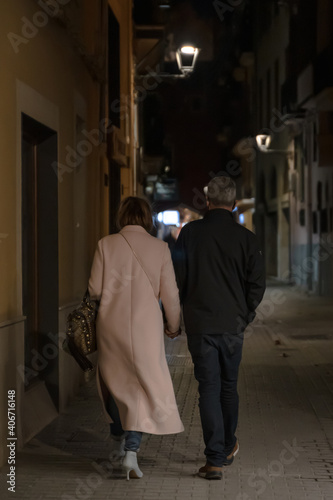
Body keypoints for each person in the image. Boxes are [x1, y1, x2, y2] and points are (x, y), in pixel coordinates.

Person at [173, 176, 265, 480]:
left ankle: (215, 460)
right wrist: (246, 314)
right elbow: (257, 285)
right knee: (228, 386)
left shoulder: (189, 234)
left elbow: (179, 277)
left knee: (208, 389)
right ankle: (226, 446)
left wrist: (184, 310)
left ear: (208, 202)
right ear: (234, 204)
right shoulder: (247, 238)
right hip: (232, 326)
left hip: (201, 324)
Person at [88, 196, 184, 480]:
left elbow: (94, 289)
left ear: (121, 217)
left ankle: (120, 439)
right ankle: (131, 451)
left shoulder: (106, 244)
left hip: (110, 325)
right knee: (142, 386)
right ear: (147, 219)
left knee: (114, 382)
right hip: (146, 328)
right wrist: (174, 327)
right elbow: (171, 295)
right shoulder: (160, 247)